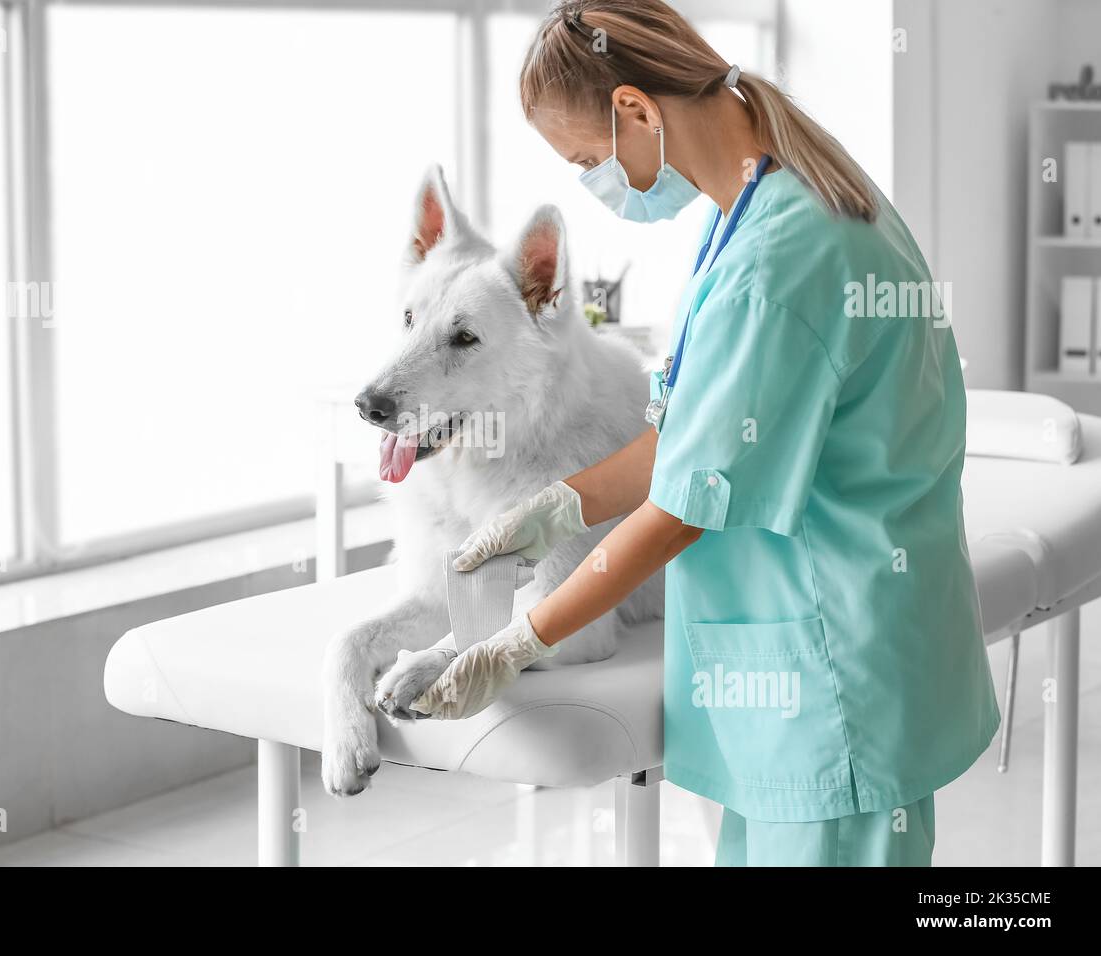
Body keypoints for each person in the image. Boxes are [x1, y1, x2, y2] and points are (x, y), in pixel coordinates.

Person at [403, 0, 999, 867]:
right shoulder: (755, 209)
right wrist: (556, 509)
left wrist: (517, 643)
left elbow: (686, 507)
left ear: (639, 112)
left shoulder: (780, 260)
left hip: (834, 686)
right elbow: (693, 440)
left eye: (586, 161)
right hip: (799, 680)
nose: (591, 185)